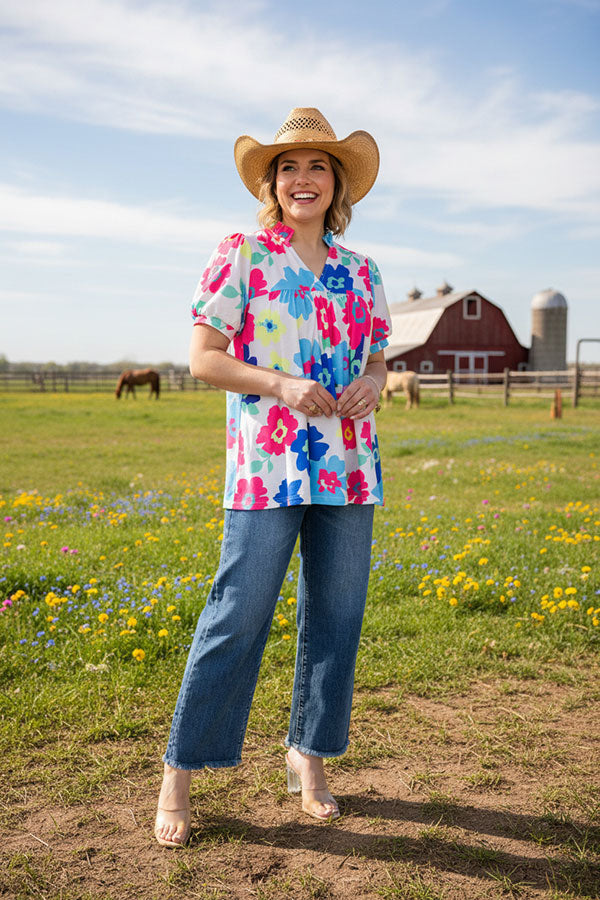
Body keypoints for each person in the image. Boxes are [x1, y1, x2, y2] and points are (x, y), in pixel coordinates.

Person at [155, 107, 392, 848]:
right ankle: (180, 771)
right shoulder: (244, 254)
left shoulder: (362, 269)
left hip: (350, 470)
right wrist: (282, 385)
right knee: (236, 616)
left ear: (337, 183)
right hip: (268, 471)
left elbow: (379, 354)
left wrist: (377, 382)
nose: (302, 178)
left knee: (337, 621)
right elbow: (204, 359)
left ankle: (309, 763)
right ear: (271, 182)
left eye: (317, 165)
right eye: (288, 166)